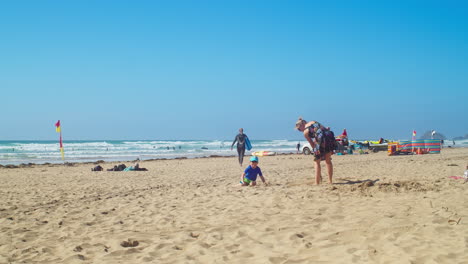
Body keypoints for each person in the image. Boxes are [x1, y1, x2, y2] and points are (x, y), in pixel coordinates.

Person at [295, 117, 336, 184]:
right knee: (328, 161)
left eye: (299, 129)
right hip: (328, 138)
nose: (300, 131)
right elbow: (324, 129)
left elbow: (312, 144)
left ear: (302, 125)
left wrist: (316, 152)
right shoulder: (313, 121)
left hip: (320, 141)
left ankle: (317, 182)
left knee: (317, 162)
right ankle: (330, 181)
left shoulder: (305, 132)